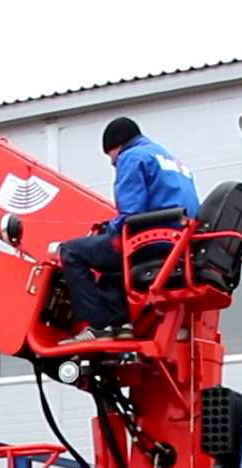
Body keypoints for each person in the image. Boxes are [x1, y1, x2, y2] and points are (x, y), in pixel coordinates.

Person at [57, 117, 201, 344]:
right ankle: (122, 324)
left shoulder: (132, 157)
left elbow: (131, 213)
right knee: (112, 260)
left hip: (153, 240)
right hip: (179, 244)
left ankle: (98, 326)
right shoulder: (172, 161)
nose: (113, 163)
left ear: (117, 145)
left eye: (111, 157)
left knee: (71, 252)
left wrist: (110, 229)